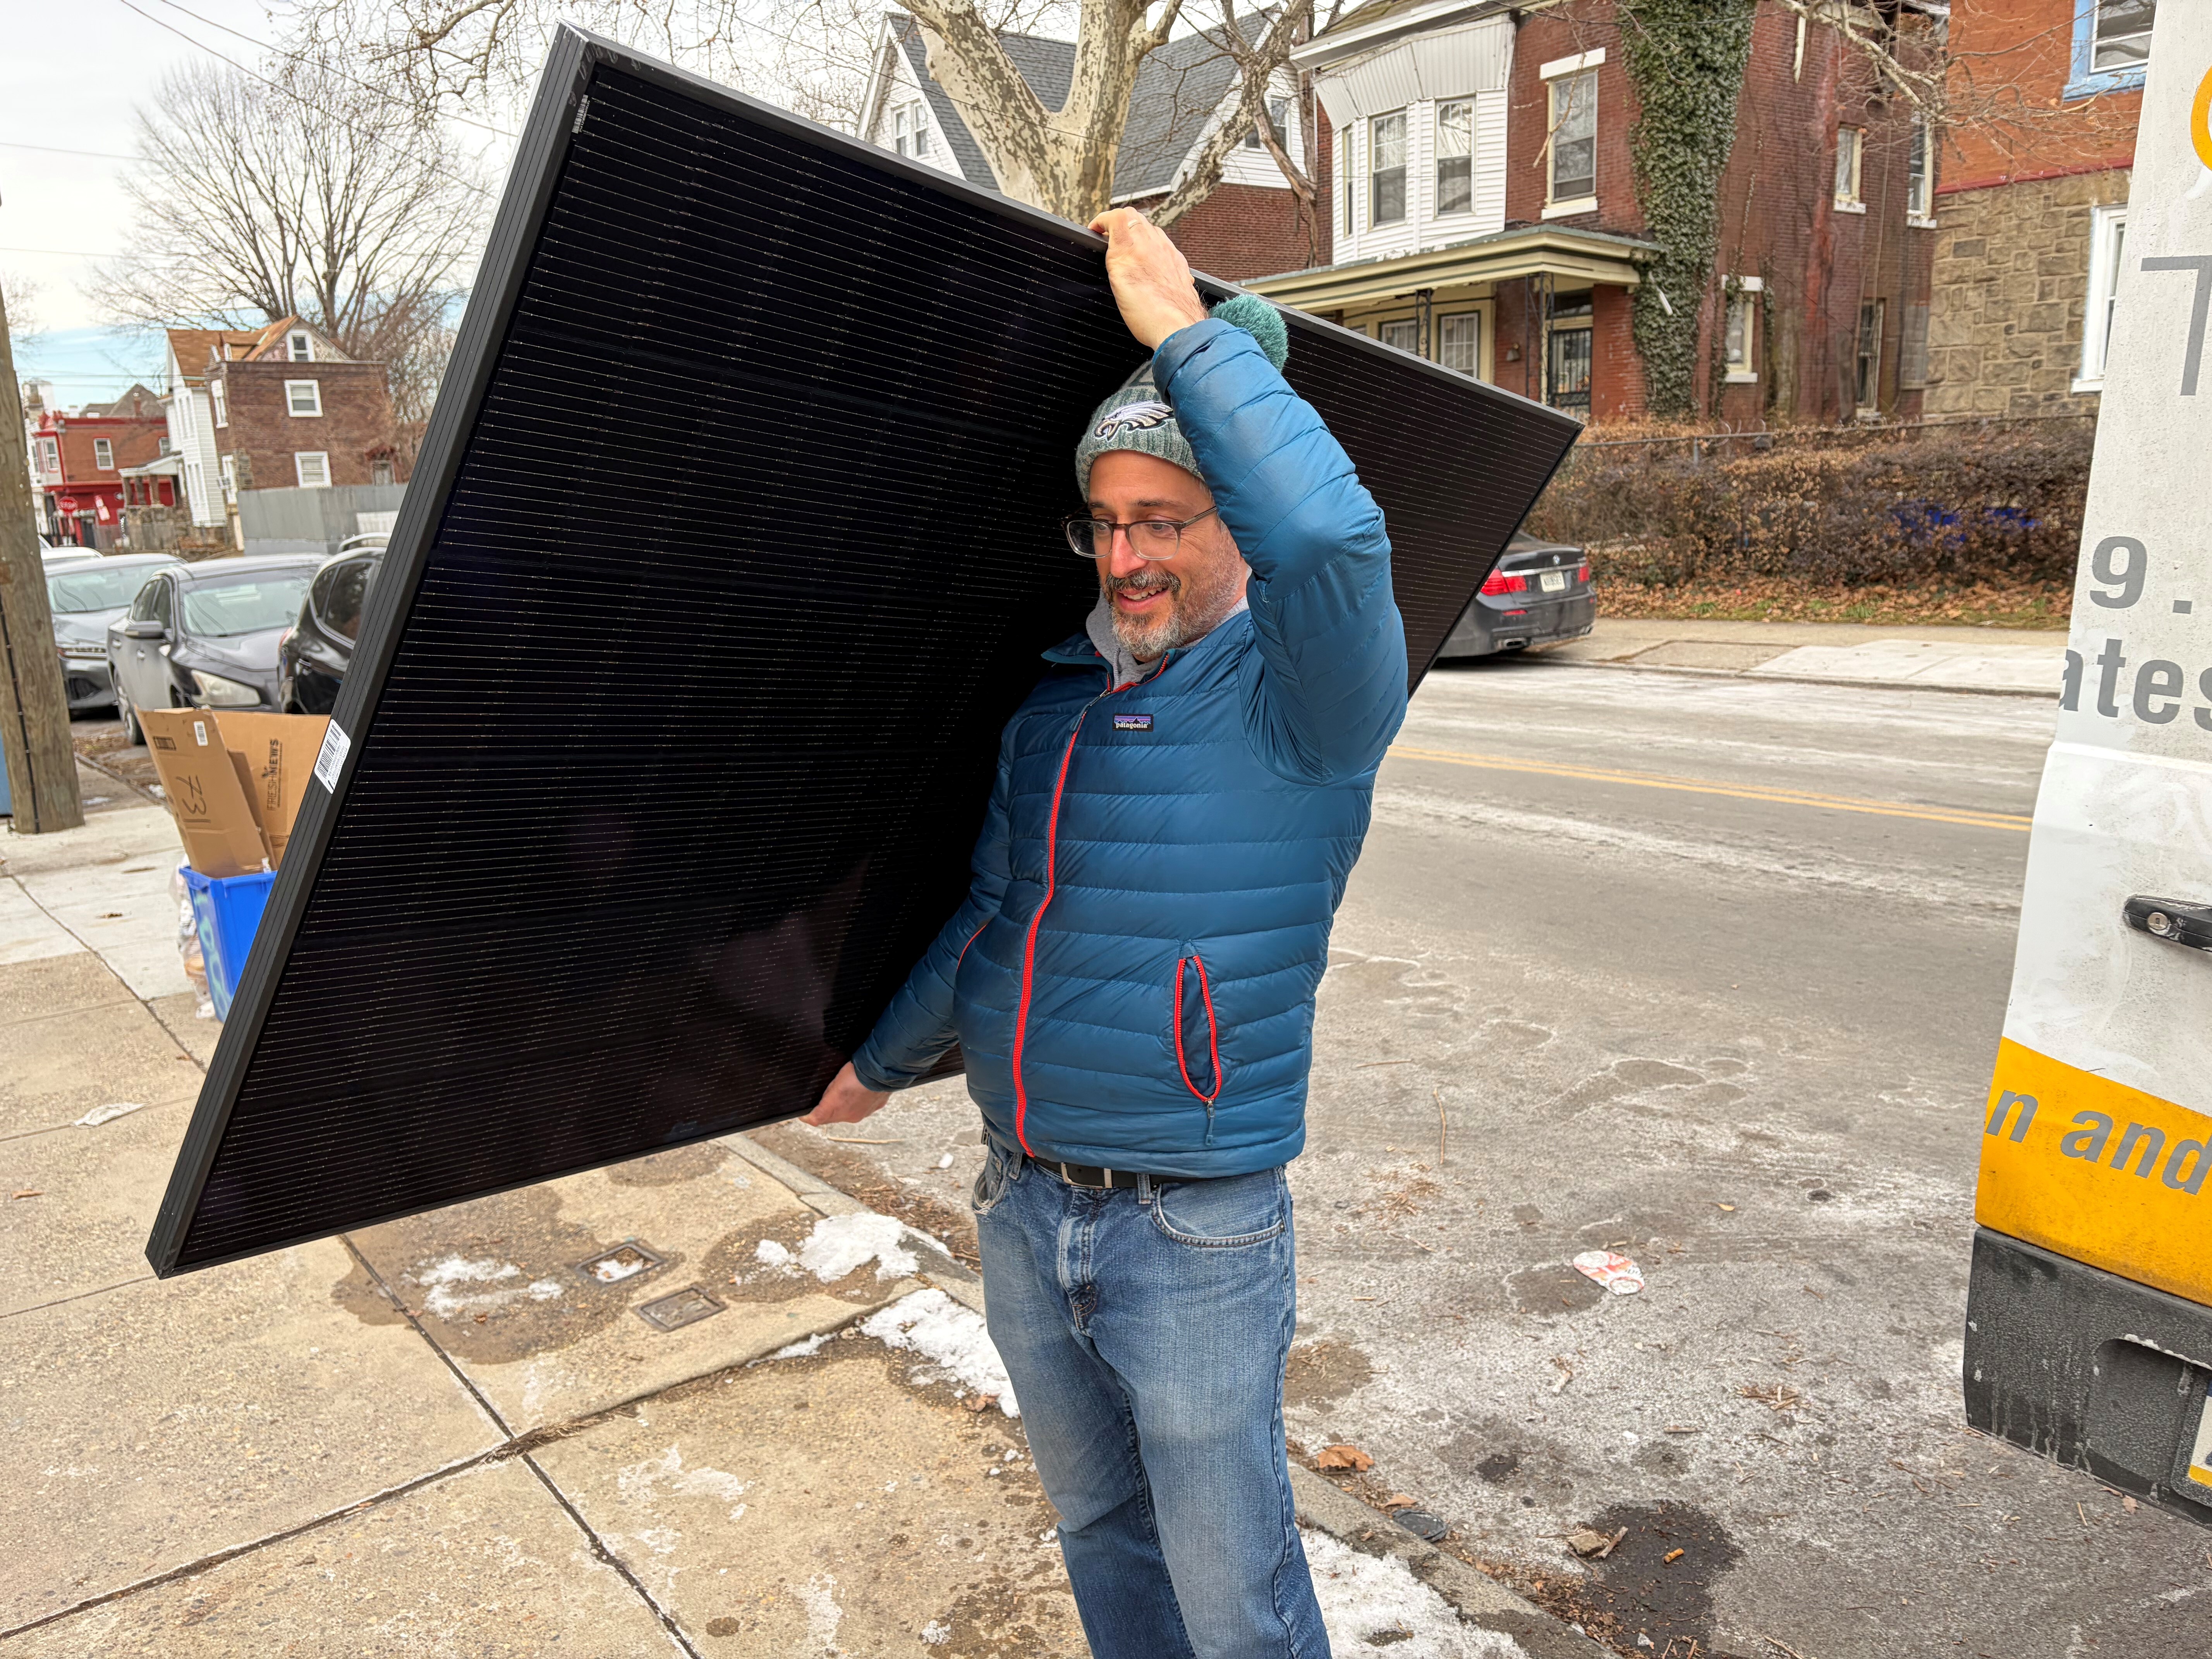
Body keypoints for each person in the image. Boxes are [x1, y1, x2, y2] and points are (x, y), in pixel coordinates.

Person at [805, 208, 1407, 1659]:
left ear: (1231, 525)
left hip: (1192, 1227)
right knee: (1099, 1534)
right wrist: (876, 1066)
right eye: (1107, 521)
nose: (1127, 556)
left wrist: (1185, 340)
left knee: (1236, 1599)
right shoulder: (1056, 706)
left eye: (1166, 520)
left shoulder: (1308, 704)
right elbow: (996, 919)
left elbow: (1331, 533)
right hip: (1025, 1203)